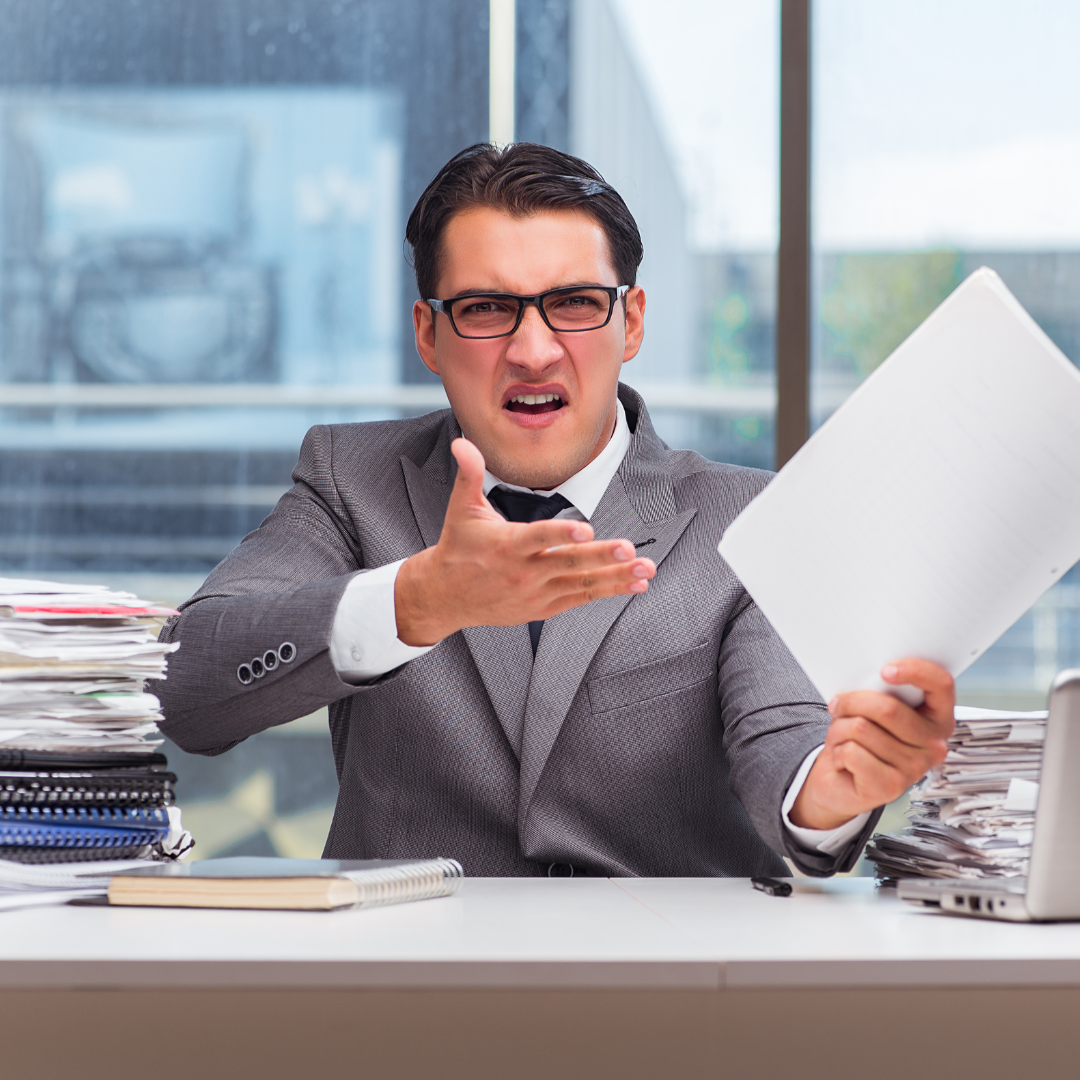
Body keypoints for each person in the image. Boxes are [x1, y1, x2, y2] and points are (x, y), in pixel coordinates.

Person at [154, 143, 955, 878]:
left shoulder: (745, 518)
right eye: (486, 308)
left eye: (573, 302)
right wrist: (415, 600)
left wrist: (839, 785)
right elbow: (186, 683)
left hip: (664, 997)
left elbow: (784, 742)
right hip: (405, 993)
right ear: (428, 335)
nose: (533, 349)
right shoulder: (349, 479)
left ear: (631, 321)